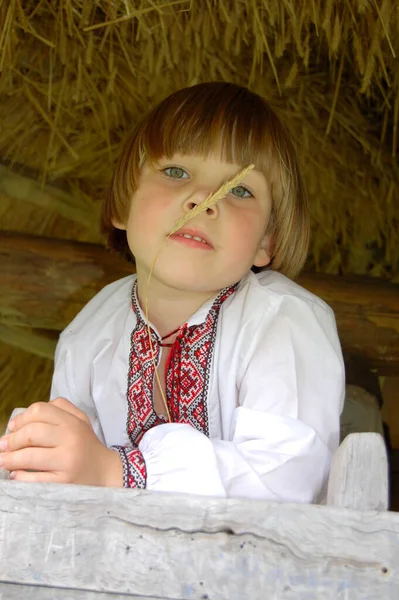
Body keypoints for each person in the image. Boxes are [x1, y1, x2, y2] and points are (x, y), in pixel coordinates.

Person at [0, 82, 345, 502]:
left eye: (239, 190)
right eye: (176, 172)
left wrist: (118, 471)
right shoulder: (90, 329)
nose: (202, 200)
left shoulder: (284, 321)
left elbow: (285, 476)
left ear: (265, 243)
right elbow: (70, 466)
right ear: (122, 206)